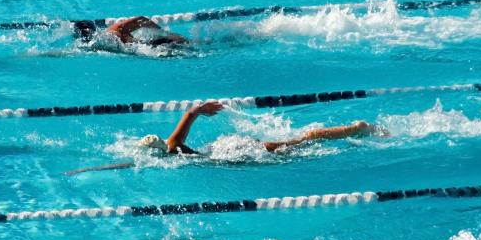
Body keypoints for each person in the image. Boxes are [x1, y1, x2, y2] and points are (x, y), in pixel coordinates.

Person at [64, 100, 383, 175]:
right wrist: (198, 110)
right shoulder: (172, 147)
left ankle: (357, 128)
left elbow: (188, 116)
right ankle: (354, 129)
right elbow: (188, 114)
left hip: (235, 151)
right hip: (225, 148)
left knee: (306, 140)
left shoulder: (173, 149)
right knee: (302, 141)